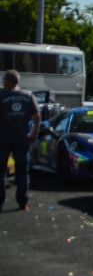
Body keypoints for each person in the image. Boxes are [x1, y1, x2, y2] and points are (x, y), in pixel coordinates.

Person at [1, 70, 39, 212]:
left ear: (8, 81)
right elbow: (37, 115)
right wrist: (34, 133)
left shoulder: (1, 95)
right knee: (22, 171)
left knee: (1, 171)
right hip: (22, 138)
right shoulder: (27, 96)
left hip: (3, 138)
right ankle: (23, 202)